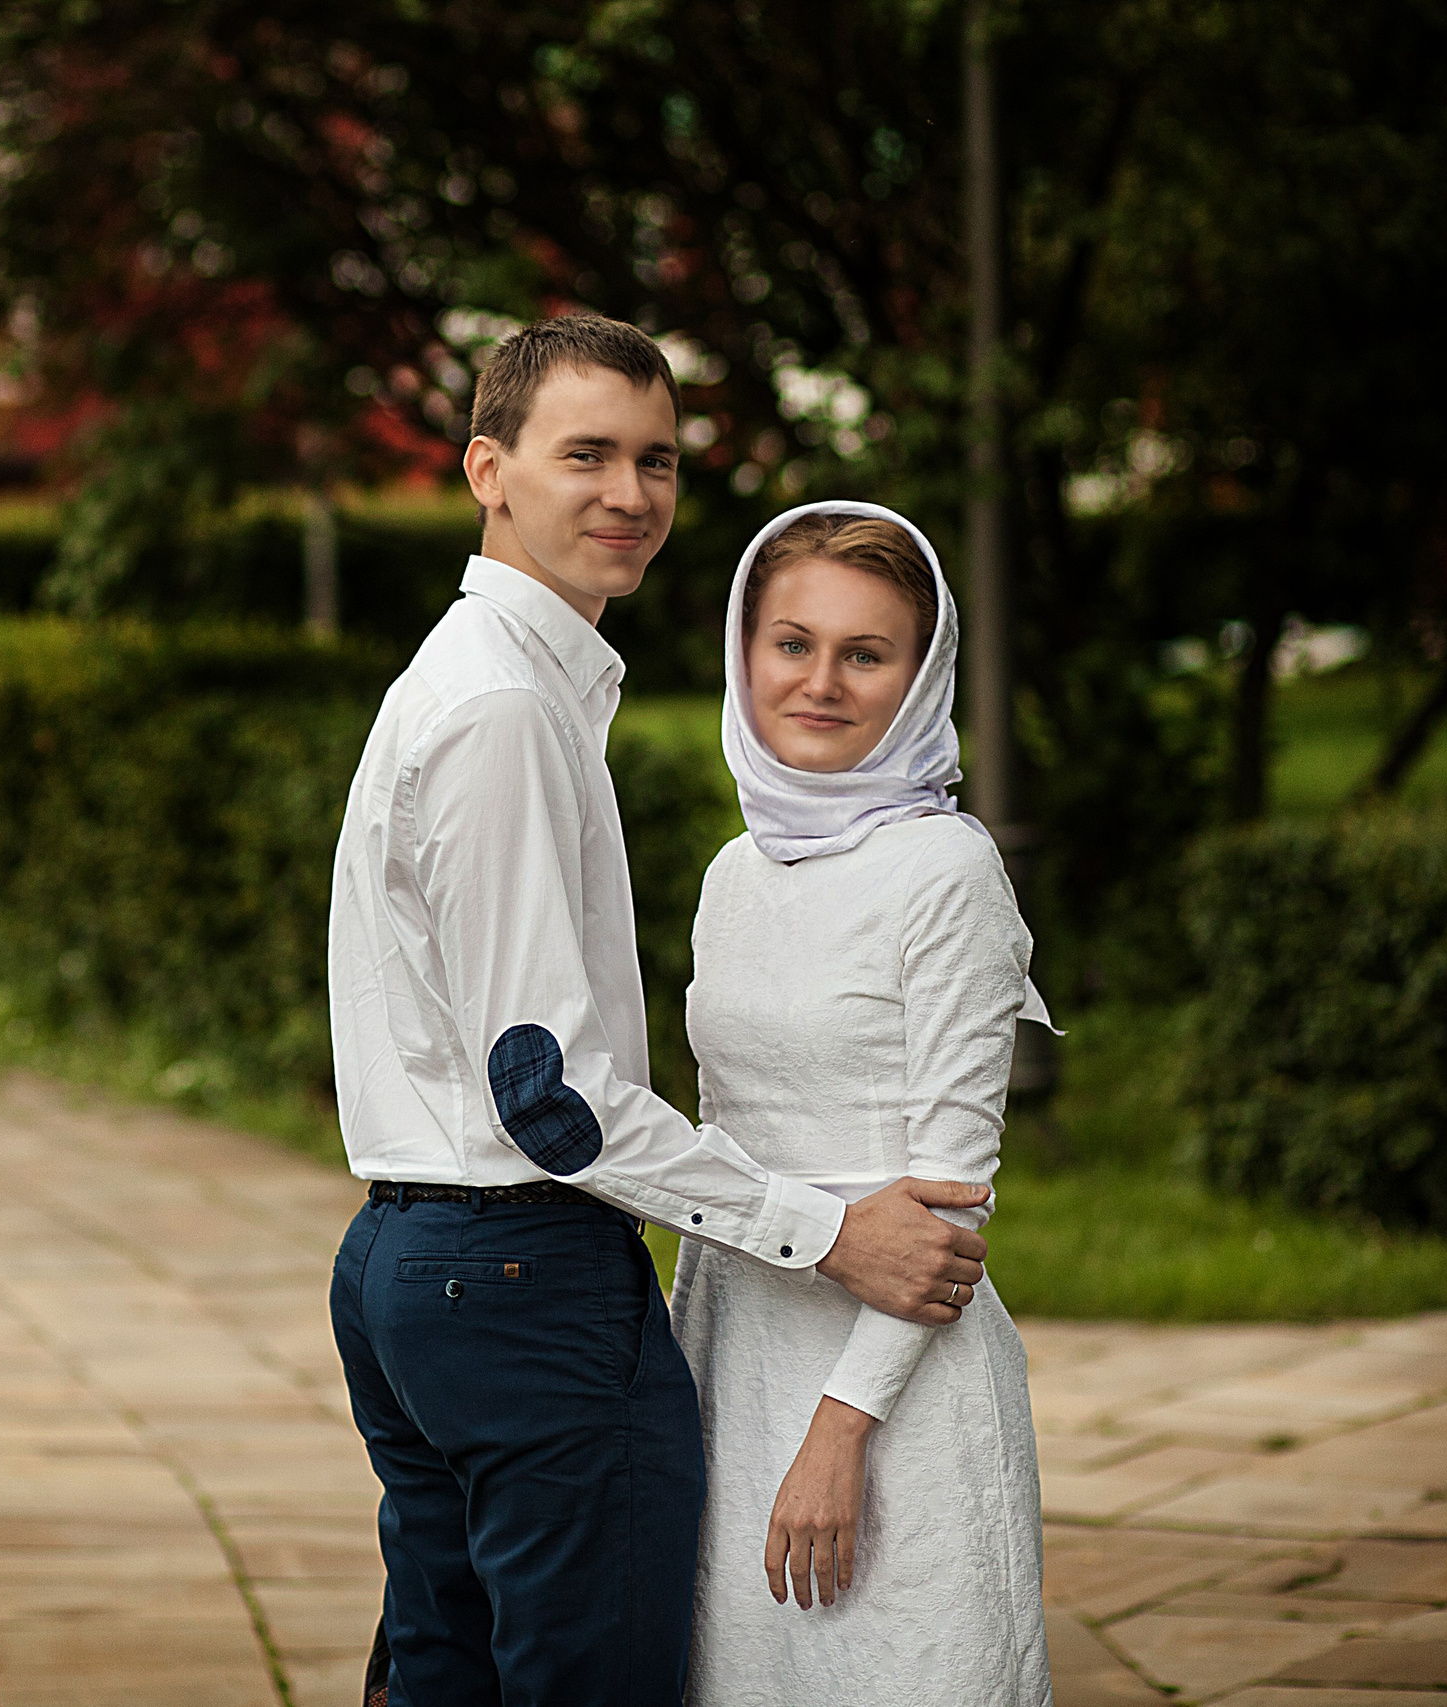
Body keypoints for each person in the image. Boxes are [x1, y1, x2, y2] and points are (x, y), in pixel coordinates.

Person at [327, 316, 995, 1707]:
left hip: (424, 1253)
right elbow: (551, 1096)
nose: (630, 494)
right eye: (588, 454)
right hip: (515, 1271)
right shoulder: (507, 706)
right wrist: (827, 1230)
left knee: (446, 1672)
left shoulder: (489, 680)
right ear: (487, 469)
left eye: (658, 460)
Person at [671, 501, 1053, 1705]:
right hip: (735, 1359)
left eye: (865, 653)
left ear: (919, 675)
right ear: (743, 653)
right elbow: (712, 1142)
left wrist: (842, 1435)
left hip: (894, 1396)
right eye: (792, 643)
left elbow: (949, 1205)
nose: (820, 682)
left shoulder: (944, 869)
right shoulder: (733, 871)